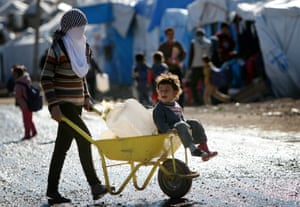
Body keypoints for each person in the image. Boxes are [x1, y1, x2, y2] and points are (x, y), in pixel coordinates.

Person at [40, 8, 107, 205]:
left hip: (77, 104)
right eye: (77, 27)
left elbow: (82, 76)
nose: (81, 30)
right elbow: (46, 78)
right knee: (85, 139)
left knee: (61, 148)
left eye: (83, 27)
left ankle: (52, 190)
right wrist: (53, 105)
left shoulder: (85, 47)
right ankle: (95, 185)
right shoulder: (58, 48)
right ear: (68, 28)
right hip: (64, 104)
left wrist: (86, 97)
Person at [152, 72, 218, 161]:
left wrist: (187, 125)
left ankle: (203, 146)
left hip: (180, 127)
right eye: (161, 90)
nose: (163, 93)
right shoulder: (159, 108)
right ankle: (193, 149)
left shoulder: (176, 105)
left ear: (175, 92)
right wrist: (168, 130)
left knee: (195, 122)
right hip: (169, 131)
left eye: (167, 90)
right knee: (181, 125)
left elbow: (181, 118)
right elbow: (160, 123)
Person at [158, 27, 186, 107]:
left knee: (179, 87)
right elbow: (159, 57)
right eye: (169, 34)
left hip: (177, 69)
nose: (171, 36)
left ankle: (180, 105)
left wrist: (178, 60)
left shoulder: (177, 44)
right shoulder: (163, 46)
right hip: (167, 71)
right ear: (166, 35)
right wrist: (167, 60)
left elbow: (183, 54)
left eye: (172, 34)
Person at [12, 64, 37, 140]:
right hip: (30, 103)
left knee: (26, 120)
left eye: (14, 74)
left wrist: (14, 93)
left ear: (17, 74)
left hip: (24, 104)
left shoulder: (19, 83)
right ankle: (34, 131)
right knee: (29, 119)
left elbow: (18, 95)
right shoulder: (27, 80)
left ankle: (27, 134)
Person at [187, 28, 212, 105]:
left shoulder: (193, 42)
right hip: (206, 66)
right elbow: (211, 55)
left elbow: (191, 55)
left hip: (196, 66)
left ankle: (197, 100)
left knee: (193, 84)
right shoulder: (209, 42)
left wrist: (189, 67)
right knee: (206, 84)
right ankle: (206, 100)